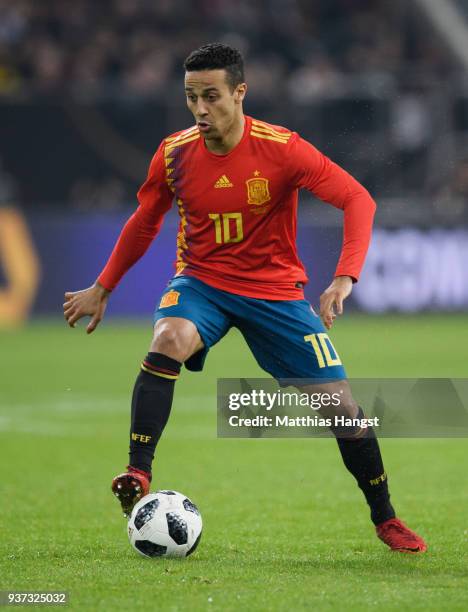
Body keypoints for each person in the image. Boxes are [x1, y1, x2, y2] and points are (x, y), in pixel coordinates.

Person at [63, 43, 426, 553]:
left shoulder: (282, 149)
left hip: (275, 293)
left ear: (240, 92)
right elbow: (146, 220)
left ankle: (385, 517)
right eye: (191, 97)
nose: (200, 109)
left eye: (211, 96)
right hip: (201, 283)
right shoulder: (174, 154)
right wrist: (103, 286)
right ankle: (138, 473)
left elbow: (356, 198)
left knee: (341, 410)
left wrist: (345, 277)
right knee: (170, 336)